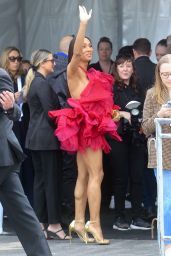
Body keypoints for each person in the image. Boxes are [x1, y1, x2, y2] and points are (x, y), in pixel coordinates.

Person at [49, 6, 120, 244]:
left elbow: (95, 103)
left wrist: (111, 114)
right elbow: (77, 48)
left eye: (91, 46)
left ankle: (79, 221)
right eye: (84, 46)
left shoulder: (89, 74)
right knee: (96, 175)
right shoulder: (73, 70)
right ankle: (95, 224)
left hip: (88, 127)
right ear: (75, 51)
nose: (88, 49)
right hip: (87, 129)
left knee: (84, 175)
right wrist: (83, 24)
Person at [0, 68, 52, 255]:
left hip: (3, 155)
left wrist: (9, 107)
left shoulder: (1, 75)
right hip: (4, 160)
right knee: (23, 215)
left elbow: (14, 111)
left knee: (23, 214)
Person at [23, 49, 70, 240]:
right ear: (42, 63)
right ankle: (54, 224)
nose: (54, 64)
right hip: (46, 140)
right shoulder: (42, 84)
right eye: (51, 61)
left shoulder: (36, 82)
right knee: (50, 182)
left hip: (36, 139)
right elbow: (51, 113)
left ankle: (42, 224)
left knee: (41, 182)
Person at [110, 54, 151, 231]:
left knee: (137, 176)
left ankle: (137, 215)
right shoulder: (111, 88)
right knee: (120, 177)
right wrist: (120, 114)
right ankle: (119, 216)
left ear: (133, 68)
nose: (125, 69)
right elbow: (104, 111)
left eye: (128, 66)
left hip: (137, 137)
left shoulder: (138, 87)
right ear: (116, 69)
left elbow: (145, 109)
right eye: (121, 66)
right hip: (118, 138)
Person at [142, 54, 171, 256]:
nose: (168, 77)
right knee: (167, 200)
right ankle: (168, 242)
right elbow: (145, 127)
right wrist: (159, 115)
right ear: (158, 75)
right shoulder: (152, 95)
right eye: (164, 74)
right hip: (163, 154)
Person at [48, 35, 77, 224]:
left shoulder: (51, 69)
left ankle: (64, 211)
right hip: (68, 126)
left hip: (53, 128)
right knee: (70, 170)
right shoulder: (66, 71)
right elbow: (66, 101)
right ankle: (70, 213)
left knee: (59, 171)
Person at [0, 46, 34, 206]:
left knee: (26, 165)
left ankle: (27, 202)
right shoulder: (3, 78)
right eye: (12, 58)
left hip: (24, 126)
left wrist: (25, 96)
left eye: (19, 59)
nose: (16, 62)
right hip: (9, 127)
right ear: (6, 60)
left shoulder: (24, 77)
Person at [133, 38, 157, 219]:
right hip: (156, 126)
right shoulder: (157, 70)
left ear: (134, 52)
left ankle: (142, 204)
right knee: (153, 168)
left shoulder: (130, 70)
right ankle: (151, 204)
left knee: (139, 168)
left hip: (136, 126)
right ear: (149, 52)